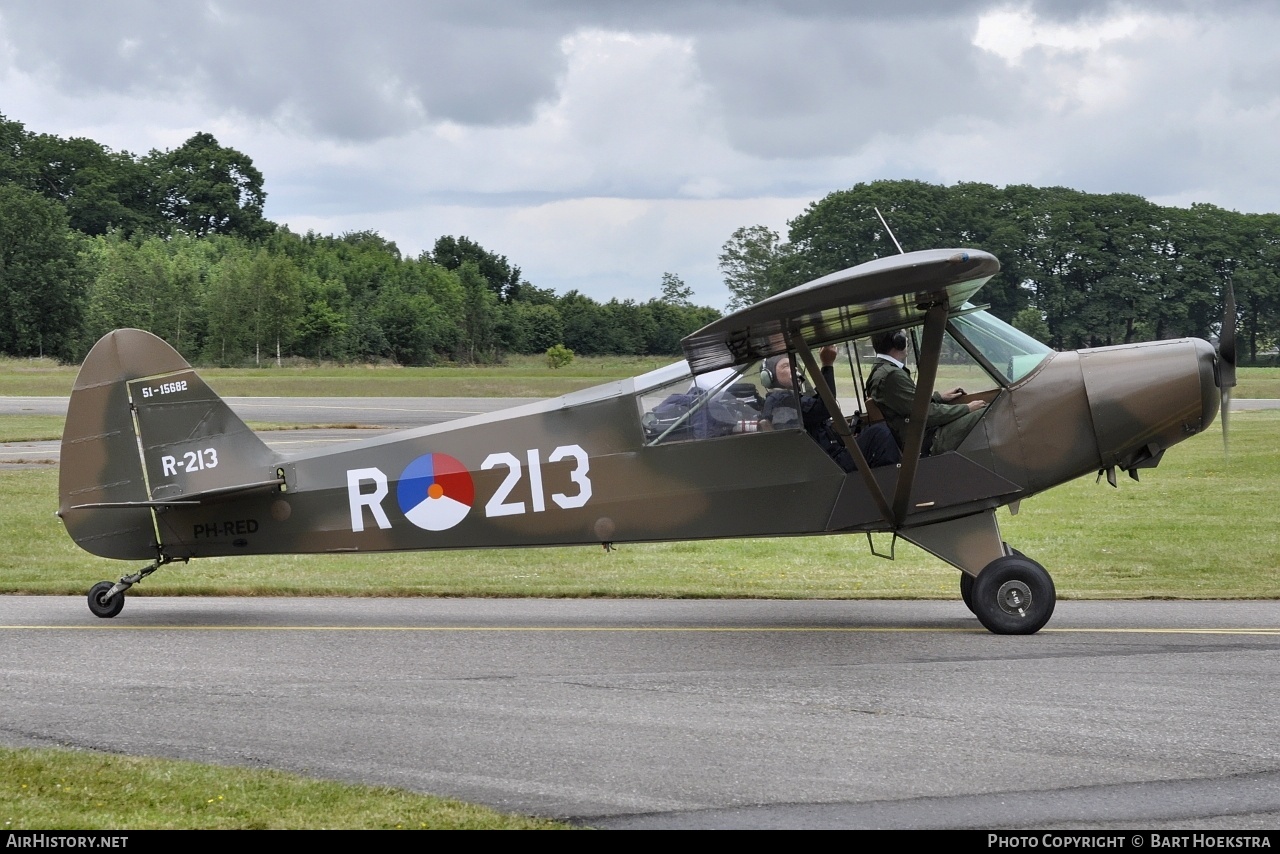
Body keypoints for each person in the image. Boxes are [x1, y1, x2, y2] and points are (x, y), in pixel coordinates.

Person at [759, 346, 899, 470]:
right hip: (827, 465)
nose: (793, 369)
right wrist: (827, 364)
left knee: (873, 432)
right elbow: (825, 407)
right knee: (880, 432)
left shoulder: (790, 399)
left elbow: (816, 415)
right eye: (785, 366)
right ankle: (891, 481)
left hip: (828, 459)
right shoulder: (780, 400)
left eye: (793, 365)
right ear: (769, 376)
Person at [865, 330, 986, 456]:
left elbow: (907, 405)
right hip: (925, 440)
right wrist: (966, 408)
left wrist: (938, 398)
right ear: (898, 342)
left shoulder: (882, 369)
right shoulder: (891, 375)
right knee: (987, 411)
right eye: (904, 337)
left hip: (919, 436)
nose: (907, 341)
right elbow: (925, 414)